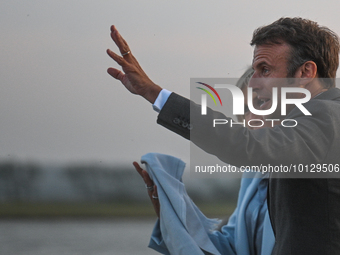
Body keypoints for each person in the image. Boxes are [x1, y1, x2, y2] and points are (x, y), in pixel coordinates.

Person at [107, 17, 340, 254]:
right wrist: (169, 207)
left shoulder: (330, 115)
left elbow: (246, 145)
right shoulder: (296, 141)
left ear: (306, 72)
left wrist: (154, 93)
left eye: (265, 70)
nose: (254, 84)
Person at [134, 67, 276, 255]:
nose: (252, 117)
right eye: (246, 109)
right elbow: (231, 247)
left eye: (263, 102)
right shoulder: (253, 175)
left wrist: (156, 94)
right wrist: (171, 216)